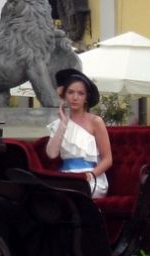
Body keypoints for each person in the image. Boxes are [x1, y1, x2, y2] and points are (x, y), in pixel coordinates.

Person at [45, 68, 112, 197]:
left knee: (76, 192)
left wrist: (90, 175)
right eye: (70, 92)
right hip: (66, 177)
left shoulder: (96, 122)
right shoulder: (59, 124)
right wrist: (63, 124)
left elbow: (108, 159)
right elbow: (52, 154)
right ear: (65, 96)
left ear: (86, 98)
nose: (75, 98)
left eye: (80, 93)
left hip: (91, 178)